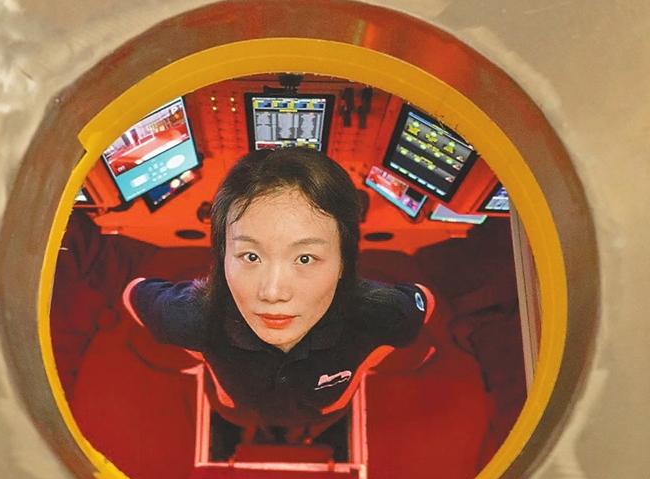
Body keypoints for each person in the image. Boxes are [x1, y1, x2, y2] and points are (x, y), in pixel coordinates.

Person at [123, 148, 433, 442]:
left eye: (305, 258)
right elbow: (135, 296)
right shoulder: (192, 316)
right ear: (222, 257)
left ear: (343, 263)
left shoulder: (382, 314)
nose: (273, 293)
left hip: (324, 411)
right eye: (251, 256)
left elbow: (421, 303)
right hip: (238, 410)